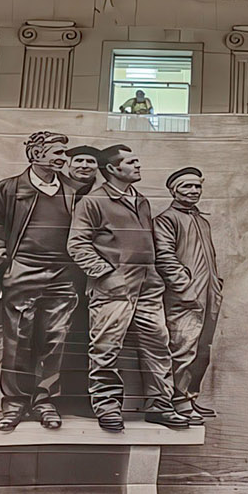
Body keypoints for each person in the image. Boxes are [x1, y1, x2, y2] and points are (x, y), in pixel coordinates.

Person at [66, 147, 188, 435]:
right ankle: (107, 408)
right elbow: (77, 245)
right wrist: (107, 275)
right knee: (106, 349)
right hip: (112, 290)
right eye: (131, 162)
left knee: (158, 348)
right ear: (112, 169)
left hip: (148, 289)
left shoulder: (141, 201)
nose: (138, 166)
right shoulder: (93, 202)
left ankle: (160, 406)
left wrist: (156, 277)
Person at [0, 129, 88, 431]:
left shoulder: (75, 189)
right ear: (36, 155)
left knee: (55, 340)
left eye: (64, 154)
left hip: (63, 275)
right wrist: (5, 267)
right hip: (22, 271)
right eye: (57, 153)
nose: (63, 159)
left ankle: (44, 401)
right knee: (17, 340)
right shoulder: (8, 189)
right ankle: (15, 403)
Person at [152, 166, 223, 418]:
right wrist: (185, 288)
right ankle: (176, 399)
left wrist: (215, 286)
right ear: (174, 190)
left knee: (203, 348)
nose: (193, 191)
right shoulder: (166, 219)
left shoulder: (201, 221)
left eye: (197, 186)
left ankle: (190, 398)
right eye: (187, 186)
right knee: (183, 346)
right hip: (184, 297)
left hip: (209, 294)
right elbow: (165, 257)